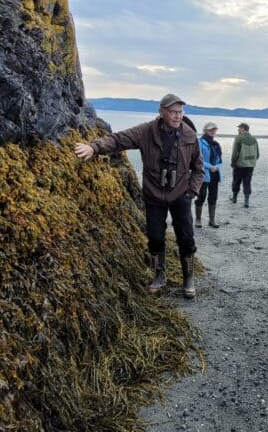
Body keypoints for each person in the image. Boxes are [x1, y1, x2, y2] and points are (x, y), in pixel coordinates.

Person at [73, 94, 203, 298]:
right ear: (162, 113)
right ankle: (160, 275)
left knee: (186, 238)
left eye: (180, 112)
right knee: (155, 238)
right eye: (172, 112)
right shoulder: (145, 131)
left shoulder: (189, 135)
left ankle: (188, 278)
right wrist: (94, 147)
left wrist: (191, 192)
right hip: (153, 196)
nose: (177, 116)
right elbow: (118, 140)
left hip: (181, 196)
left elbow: (198, 168)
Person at [195, 122, 222, 229]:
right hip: (204, 173)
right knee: (201, 196)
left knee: (213, 196)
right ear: (205, 130)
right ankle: (198, 219)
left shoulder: (216, 144)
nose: (213, 131)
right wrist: (210, 166)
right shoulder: (200, 142)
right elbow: (198, 158)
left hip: (215, 174)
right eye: (211, 129)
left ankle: (212, 220)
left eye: (214, 129)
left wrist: (217, 167)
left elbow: (220, 160)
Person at [231, 122, 259, 207]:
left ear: (243, 128)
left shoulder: (238, 138)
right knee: (247, 182)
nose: (238, 129)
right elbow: (257, 153)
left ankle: (234, 198)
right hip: (250, 165)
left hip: (240, 165)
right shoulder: (254, 139)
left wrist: (233, 163)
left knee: (236, 181)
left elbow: (235, 153)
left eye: (239, 128)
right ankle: (246, 202)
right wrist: (252, 161)